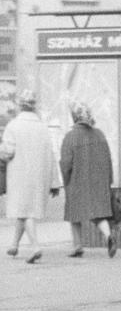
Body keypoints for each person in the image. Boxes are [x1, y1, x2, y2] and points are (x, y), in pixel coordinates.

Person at [1, 89, 61, 263]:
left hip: (19, 177)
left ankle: (35, 247)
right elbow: (51, 154)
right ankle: (14, 245)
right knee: (25, 211)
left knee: (24, 211)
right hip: (38, 178)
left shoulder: (13, 126)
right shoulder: (42, 128)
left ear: (20, 106)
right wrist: (54, 182)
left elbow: (7, 153)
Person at [59, 101, 116, 258]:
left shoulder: (70, 137)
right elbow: (108, 159)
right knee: (97, 214)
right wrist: (109, 180)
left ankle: (77, 246)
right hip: (98, 181)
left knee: (74, 213)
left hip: (77, 181)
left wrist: (66, 180)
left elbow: (65, 163)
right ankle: (108, 235)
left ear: (74, 118)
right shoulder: (100, 134)